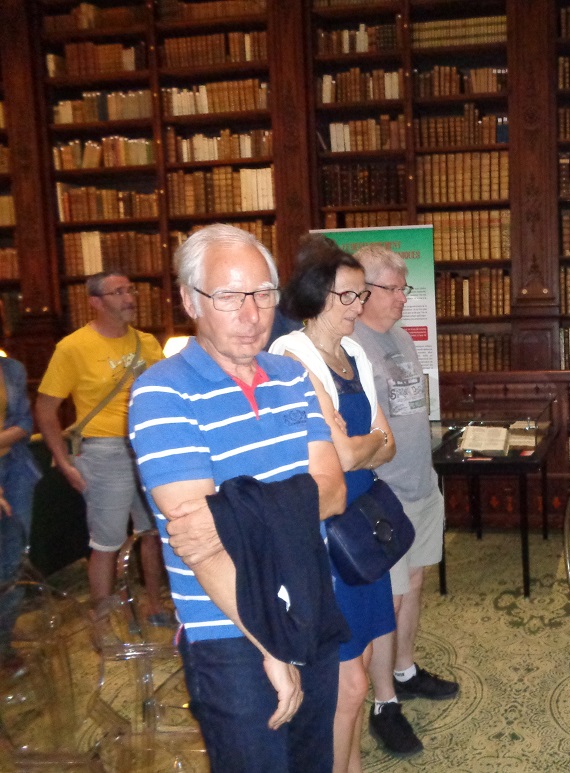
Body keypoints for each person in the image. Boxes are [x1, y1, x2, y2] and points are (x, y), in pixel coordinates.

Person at [128, 224, 349, 771]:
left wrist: (232, 512)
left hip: (311, 602)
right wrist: (271, 646)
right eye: (228, 296)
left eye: (262, 294)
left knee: (312, 762)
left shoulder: (292, 376)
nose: (251, 314)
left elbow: (334, 492)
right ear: (189, 300)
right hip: (229, 632)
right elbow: (199, 546)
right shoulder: (161, 392)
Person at [269, 234, 417, 769]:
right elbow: (343, 459)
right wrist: (364, 446)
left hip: (361, 529)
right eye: (350, 296)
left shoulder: (352, 352)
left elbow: (384, 444)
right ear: (320, 298)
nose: (360, 306)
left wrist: (363, 445)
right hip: (322, 537)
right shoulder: (291, 358)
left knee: (363, 666)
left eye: (361, 295)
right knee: (347, 683)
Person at [349, 245, 458, 713]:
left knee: (414, 585)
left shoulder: (404, 339)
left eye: (403, 288)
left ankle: (405, 670)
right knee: (386, 603)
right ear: (366, 291)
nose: (402, 298)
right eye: (394, 289)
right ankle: (384, 704)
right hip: (383, 498)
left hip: (421, 485)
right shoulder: (352, 347)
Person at [35, 271, 169, 623]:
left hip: (147, 446)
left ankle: (155, 607)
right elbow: (46, 411)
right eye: (118, 292)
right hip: (103, 451)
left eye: (131, 290)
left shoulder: (148, 343)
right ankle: (104, 623)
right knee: (107, 543)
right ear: (95, 302)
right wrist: (64, 463)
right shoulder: (73, 347)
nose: (130, 298)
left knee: (152, 532)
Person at [0, 351, 43, 674]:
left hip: (13, 470)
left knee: (13, 561)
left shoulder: (12, 368)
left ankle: (4, 644)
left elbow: (25, 424)